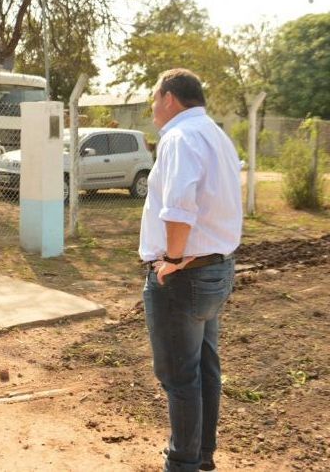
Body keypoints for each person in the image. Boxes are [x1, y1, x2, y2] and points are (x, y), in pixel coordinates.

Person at [140, 69, 242, 472]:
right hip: (216, 270)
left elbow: (180, 207)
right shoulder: (216, 135)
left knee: (180, 378)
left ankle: (181, 463)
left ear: (169, 97)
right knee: (204, 369)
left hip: (185, 276)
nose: (152, 108)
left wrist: (173, 260)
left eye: (153, 99)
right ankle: (202, 456)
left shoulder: (179, 138)